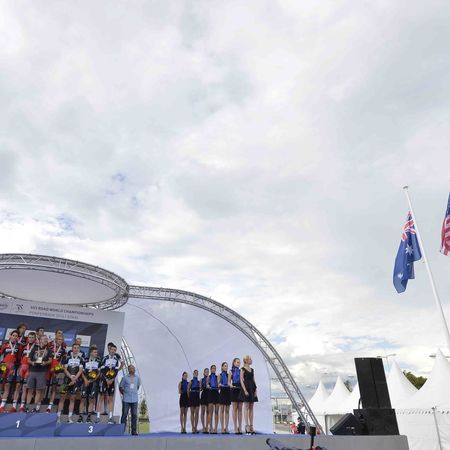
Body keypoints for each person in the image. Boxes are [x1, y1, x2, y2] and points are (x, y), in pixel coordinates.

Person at [57, 342, 84, 423]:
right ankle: (58, 417)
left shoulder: (81, 359)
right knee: (62, 398)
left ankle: (70, 417)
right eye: (74, 348)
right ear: (72, 349)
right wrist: (71, 377)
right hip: (66, 380)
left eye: (77, 348)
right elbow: (65, 370)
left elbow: (80, 371)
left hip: (75, 380)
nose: (76, 349)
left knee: (72, 398)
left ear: (79, 350)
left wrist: (74, 379)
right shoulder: (67, 358)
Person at [25, 335, 53, 412]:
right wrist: (32, 362)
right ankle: (27, 407)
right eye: (44, 339)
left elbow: (50, 360)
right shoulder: (34, 348)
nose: (46, 340)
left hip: (42, 371)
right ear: (40, 340)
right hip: (32, 370)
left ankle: (34, 408)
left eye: (47, 339)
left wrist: (45, 363)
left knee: (38, 390)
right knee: (30, 389)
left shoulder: (49, 350)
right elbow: (28, 360)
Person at [99, 343, 121, 423]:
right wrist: (106, 379)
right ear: (109, 350)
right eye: (112, 349)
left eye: (115, 350)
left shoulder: (116, 359)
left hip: (112, 380)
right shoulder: (105, 358)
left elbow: (116, 371)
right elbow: (102, 369)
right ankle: (98, 417)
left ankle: (110, 417)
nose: (113, 351)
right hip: (104, 380)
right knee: (101, 397)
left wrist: (112, 379)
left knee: (110, 398)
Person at [79, 345, 101, 423]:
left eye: (97, 352)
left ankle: (89, 417)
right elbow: (81, 371)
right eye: (95, 352)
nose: (96, 354)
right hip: (85, 382)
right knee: (83, 398)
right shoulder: (85, 360)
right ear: (91, 353)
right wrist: (85, 380)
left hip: (93, 383)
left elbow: (99, 373)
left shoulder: (98, 361)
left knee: (91, 399)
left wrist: (93, 380)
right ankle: (80, 417)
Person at [0, 330, 21, 412]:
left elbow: (19, 358)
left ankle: (4, 406)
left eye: (16, 336)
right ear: (10, 336)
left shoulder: (18, 346)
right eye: (13, 335)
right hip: (3, 366)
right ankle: (1, 405)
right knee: (2, 383)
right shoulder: (5, 344)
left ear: (17, 337)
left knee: (7, 385)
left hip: (12, 367)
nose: (14, 337)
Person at [16, 332, 36, 412]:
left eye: (32, 337)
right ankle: (15, 406)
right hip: (22, 367)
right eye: (29, 337)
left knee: (25, 387)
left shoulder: (36, 347)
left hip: (30, 369)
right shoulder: (24, 346)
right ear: (28, 338)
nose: (30, 339)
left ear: (35, 339)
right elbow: (19, 356)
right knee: (18, 386)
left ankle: (22, 406)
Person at [47, 334, 66, 413]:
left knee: (54, 388)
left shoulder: (63, 350)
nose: (60, 341)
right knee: (43, 388)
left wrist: (56, 370)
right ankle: (38, 405)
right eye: (58, 339)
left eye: (61, 340)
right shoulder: (50, 347)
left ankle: (50, 406)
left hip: (56, 370)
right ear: (55, 340)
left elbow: (63, 363)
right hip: (47, 368)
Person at [119, 365, 140, 436]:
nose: (132, 369)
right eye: (131, 368)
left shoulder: (137, 378)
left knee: (134, 415)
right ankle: (121, 431)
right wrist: (124, 393)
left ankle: (134, 431)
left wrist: (133, 392)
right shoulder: (124, 378)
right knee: (124, 414)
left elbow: (137, 386)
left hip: (134, 399)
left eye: (133, 368)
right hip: (126, 399)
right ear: (128, 370)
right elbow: (120, 387)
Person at [239, 355, 257, 434]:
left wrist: (256, 390)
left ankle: (251, 425)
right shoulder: (242, 369)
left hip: (252, 388)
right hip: (246, 388)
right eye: (250, 359)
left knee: (251, 408)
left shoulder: (252, 370)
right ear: (246, 360)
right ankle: (247, 426)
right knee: (246, 407)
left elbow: (254, 380)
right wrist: (245, 390)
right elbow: (241, 380)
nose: (251, 360)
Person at [230, 357, 243, 434]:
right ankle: (235, 427)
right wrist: (231, 385)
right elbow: (228, 382)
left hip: (240, 389)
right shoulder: (231, 371)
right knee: (234, 409)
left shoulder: (241, 371)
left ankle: (240, 427)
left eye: (239, 362)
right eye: (237, 362)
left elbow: (243, 381)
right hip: (234, 389)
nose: (238, 364)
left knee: (240, 409)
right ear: (234, 363)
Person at [218, 362, 231, 433]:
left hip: (228, 391)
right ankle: (222, 427)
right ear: (222, 367)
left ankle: (227, 427)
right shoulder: (219, 375)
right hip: (222, 391)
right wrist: (220, 385)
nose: (226, 367)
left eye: (227, 366)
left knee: (227, 410)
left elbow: (230, 382)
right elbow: (218, 385)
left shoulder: (229, 374)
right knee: (222, 410)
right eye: (225, 366)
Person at [207, 364, 219, 434]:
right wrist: (208, 386)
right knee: (210, 412)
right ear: (211, 369)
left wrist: (219, 385)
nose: (214, 369)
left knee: (216, 412)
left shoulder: (217, 377)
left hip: (216, 393)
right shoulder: (208, 377)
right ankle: (211, 427)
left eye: (215, 368)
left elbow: (219, 384)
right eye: (213, 368)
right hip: (211, 393)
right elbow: (207, 384)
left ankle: (216, 428)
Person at [200, 367, 209, 433]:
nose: (207, 373)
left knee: (208, 412)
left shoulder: (210, 378)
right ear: (203, 373)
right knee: (203, 412)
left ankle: (207, 427)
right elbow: (200, 389)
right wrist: (203, 385)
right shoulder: (201, 380)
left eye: (208, 372)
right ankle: (203, 426)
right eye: (206, 372)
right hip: (203, 395)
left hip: (209, 395)